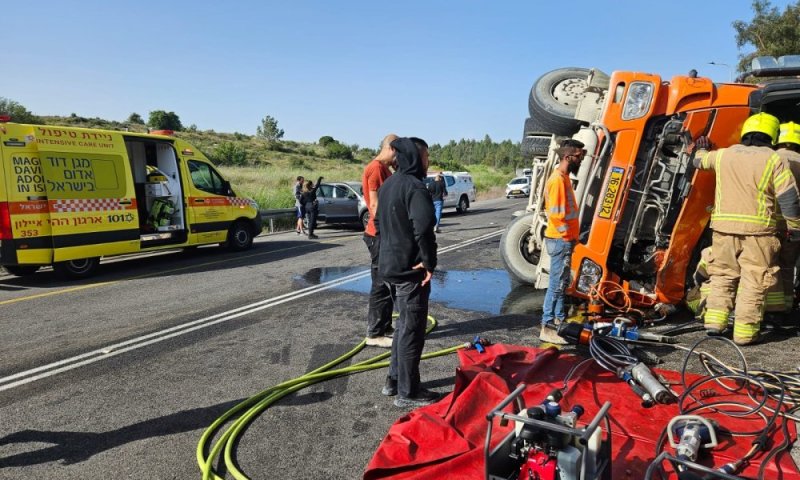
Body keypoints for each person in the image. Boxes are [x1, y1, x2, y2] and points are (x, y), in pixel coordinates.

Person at [693, 112, 800, 345]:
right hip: (759, 233)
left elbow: (698, 162)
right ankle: (744, 333)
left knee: (722, 274)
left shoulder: (722, 155)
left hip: (723, 229)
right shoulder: (773, 159)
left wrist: (700, 147)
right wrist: (795, 227)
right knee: (754, 279)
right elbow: (789, 198)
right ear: (772, 136)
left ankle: (714, 323)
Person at [376, 136, 439, 408]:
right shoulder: (415, 187)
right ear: (415, 157)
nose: (427, 162)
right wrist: (428, 262)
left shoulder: (389, 184)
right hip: (409, 272)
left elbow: (379, 222)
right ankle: (409, 392)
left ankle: (393, 381)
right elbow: (424, 228)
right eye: (425, 157)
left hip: (389, 267)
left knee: (402, 327)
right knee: (412, 330)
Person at [540, 139, 585, 345]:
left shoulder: (564, 178)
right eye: (578, 156)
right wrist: (568, 237)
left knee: (562, 284)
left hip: (564, 240)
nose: (581, 159)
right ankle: (547, 325)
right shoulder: (558, 180)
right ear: (567, 157)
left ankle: (559, 321)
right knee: (556, 285)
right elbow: (556, 216)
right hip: (560, 240)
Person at [362, 134, 398, 348]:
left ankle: (385, 326)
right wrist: (388, 233)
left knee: (387, 282)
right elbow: (374, 206)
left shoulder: (385, 169)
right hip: (378, 234)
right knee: (380, 285)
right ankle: (375, 334)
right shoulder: (375, 168)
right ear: (391, 148)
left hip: (381, 233)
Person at [765, 122, 800, 324]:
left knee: (770, 265)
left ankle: (772, 308)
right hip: (795, 226)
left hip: (772, 224)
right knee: (788, 266)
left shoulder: (772, 159)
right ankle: (786, 305)